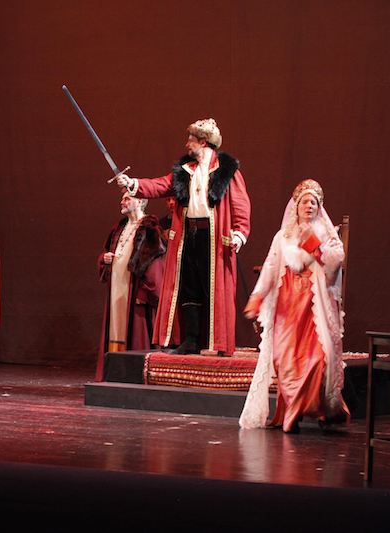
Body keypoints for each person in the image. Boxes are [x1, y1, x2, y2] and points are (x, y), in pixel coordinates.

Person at [115, 118, 251, 355]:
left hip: (213, 237)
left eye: (191, 140)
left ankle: (217, 343)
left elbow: (240, 203)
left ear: (203, 142)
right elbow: (159, 186)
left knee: (214, 287)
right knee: (189, 286)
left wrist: (240, 232)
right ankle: (191, 340)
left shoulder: (226, 170)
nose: (187, 144)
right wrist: (133, 183)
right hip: (189, 235)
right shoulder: (185, 171)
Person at [239, 179, 350, 433]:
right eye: (305, 202)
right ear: (296, 207)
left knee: (318, 360)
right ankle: (293, 410)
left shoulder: (326, 234)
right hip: (288, 308)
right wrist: (257, 298)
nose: (309, 206)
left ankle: (306, 411)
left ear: (319, 207)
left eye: (314, 202)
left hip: (313, 308)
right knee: (285, 360)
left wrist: (314, 243)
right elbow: (270, 268)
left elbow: (336, 261)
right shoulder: (283, 237)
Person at [96, 193, 166, 381]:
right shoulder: (119, 228)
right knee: (115, 329)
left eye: (127, 198)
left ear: (140, 201)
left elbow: (156, 262)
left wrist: (146, 290)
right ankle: (115, 374)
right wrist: (105, 259)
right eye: (123, 198)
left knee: (135, 331)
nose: (122, 201)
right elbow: (108, 253)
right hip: (117, 289)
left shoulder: (150, 229)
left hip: (134, 291)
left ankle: (132, 376)